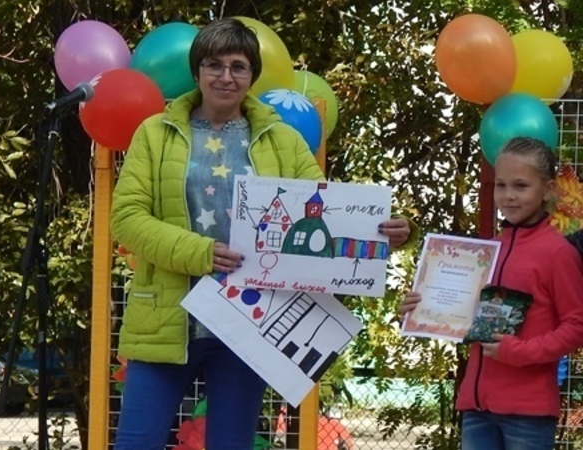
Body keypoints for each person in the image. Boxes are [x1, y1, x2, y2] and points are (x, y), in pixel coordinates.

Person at [110, 18, 416, 449]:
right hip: (165, 319)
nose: (226, 76)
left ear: (252, 75)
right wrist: (199, 252)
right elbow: (126, 217)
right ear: (197, 71)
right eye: (214, 65)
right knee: (135, 444)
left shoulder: (283, 141)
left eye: (238, 66)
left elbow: (326, 213)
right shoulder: (154, 134)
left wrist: (384, 230)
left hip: (249, 325)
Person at [398, 137, 583, 450]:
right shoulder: (483, 253)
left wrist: (522, 352)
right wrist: (419, 309)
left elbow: (577, 325)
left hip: (528, 412)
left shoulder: (558, 253)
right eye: (501, 185)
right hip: (476, 407)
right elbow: (462, 315)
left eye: (521, 186)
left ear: (548, 190)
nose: (508, 196)